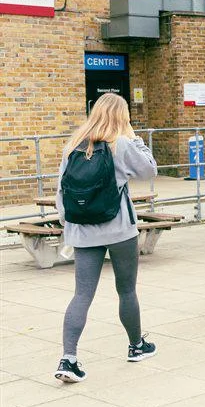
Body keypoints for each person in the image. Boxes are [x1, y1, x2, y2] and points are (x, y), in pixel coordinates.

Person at [54, 93, 158, 383]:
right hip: (118, 229)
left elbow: (61, 192)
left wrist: (70, 225)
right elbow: (150, 169)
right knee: (126, 290)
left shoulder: (72, 145)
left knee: (81, 294)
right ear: (122, 117)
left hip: (83, 230)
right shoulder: (121, 144)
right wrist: (135, 138)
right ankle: (136, 346)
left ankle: (69, 358)